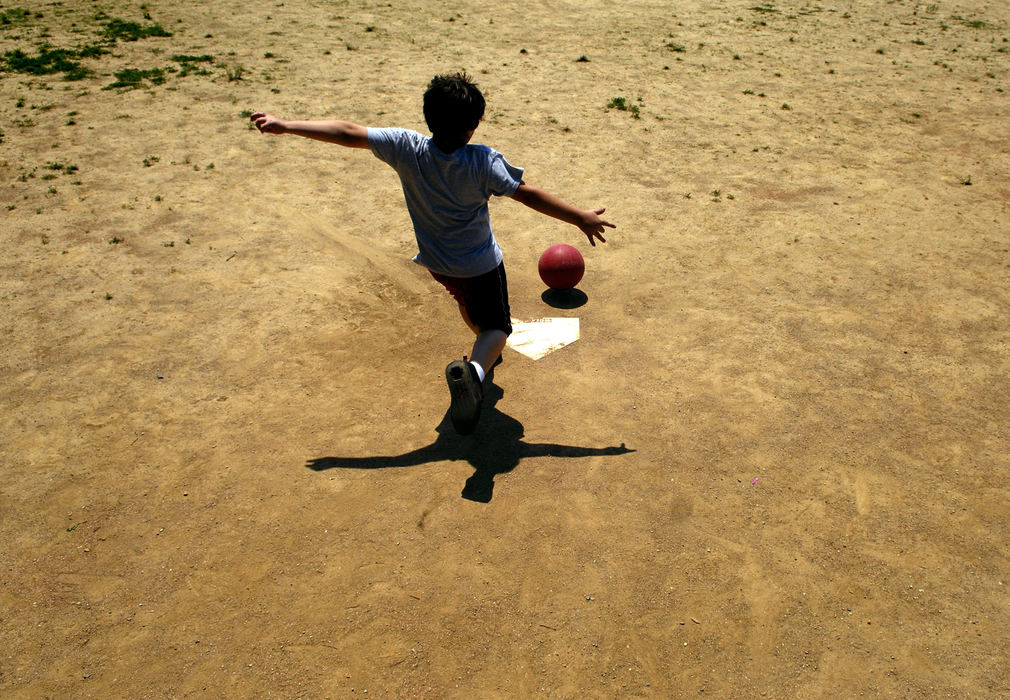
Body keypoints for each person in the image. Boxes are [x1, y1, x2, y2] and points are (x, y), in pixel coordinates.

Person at [251, 71, 614, 435]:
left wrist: (287, 125)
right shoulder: (483, 161)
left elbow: (347, 131)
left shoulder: (405, 146)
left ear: (428, 116)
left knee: (467, 302)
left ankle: (484, 350)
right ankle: (474, 373)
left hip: (438, 263)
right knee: (499, 327)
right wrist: (577, 217)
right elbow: (527, 193)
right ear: (473, 126)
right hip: (480, 265)